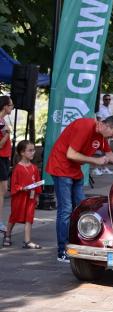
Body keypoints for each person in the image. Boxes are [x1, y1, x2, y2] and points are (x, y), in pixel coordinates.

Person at [46, 116, 113, 262]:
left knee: (82, 208)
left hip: (75, 171)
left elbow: (111, 156)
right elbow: (71, 154)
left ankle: (79, 244)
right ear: (105, 126)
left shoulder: (101, 136)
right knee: (66, 209)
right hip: (61, 168)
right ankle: (62, 251)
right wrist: (95, 160)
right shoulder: (85, 126)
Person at [3, 140, 42, 249]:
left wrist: (37, 196)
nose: (33, 152)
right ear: (22, 153)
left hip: (31, 197)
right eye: (30, 150)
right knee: (14, 216)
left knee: (29, 217)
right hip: (19, 197)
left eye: (33, 150)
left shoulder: (34, 168)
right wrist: (21, 188)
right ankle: (7, 234)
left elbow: (37, 182)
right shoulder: (17, 168)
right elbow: (14, 185)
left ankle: (27, 240)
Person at [0, 96, 14, 233]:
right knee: (2, 190)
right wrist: (7, 134)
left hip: (4, 158)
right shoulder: (0, 122)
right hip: (1, 158)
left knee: (2, 190)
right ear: (5, 106)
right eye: (11, 105)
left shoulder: (2, 121)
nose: (12, 108)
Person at [93, 94, 113, 175]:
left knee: (105, 151)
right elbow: (99, 121)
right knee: (98, 151)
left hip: (108, 133)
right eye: (106, 99)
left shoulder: (109, 109)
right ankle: (95, 168)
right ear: (103, 100)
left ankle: (104, 168)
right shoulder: (101, 109)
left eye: (109, 99)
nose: (108, 100)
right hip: (102, 133)